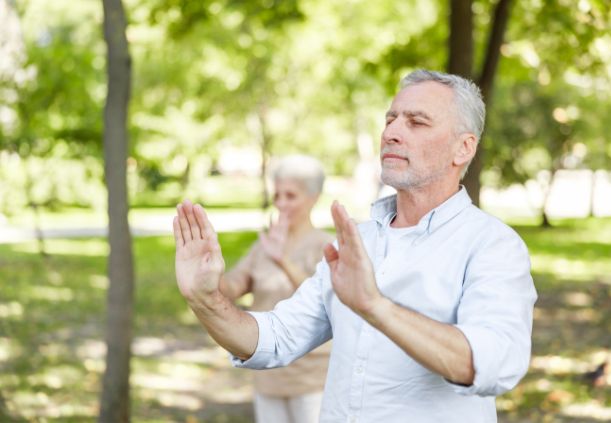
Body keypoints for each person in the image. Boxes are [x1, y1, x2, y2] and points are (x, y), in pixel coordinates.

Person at [173, 69, 537, 423]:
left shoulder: (493, 246)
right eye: (390, 119)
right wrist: (205, 300)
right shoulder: (358, 240)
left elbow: (492, 363)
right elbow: (275, 339)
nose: (391, 132)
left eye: (416, 122)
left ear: (463, 148)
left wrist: (375, 306)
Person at [219, 155, 333, 423]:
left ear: (313, 197)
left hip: (313, 379)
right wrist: (207, 272)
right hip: (268, 377)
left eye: (290, 196)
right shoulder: (263, 247)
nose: (281, 204)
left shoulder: (326, 245)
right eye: (277, 196)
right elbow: (232, 287)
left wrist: (283, 259)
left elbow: (324, 299)